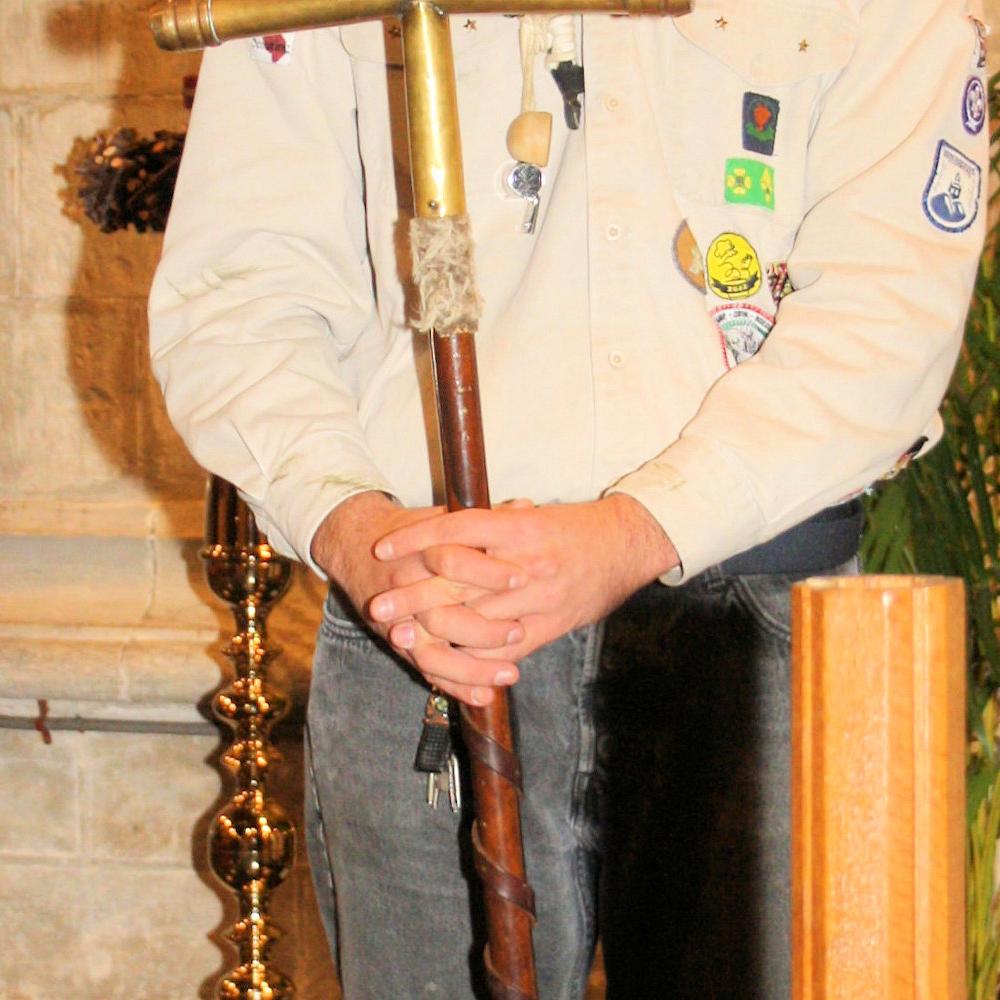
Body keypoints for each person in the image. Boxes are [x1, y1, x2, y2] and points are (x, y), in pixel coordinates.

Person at [149, 1, 989, 996]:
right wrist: (356, 526)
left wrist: (638, 528)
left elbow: (883, 308)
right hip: (425, 608)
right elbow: (244, 285)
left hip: (754, 609)